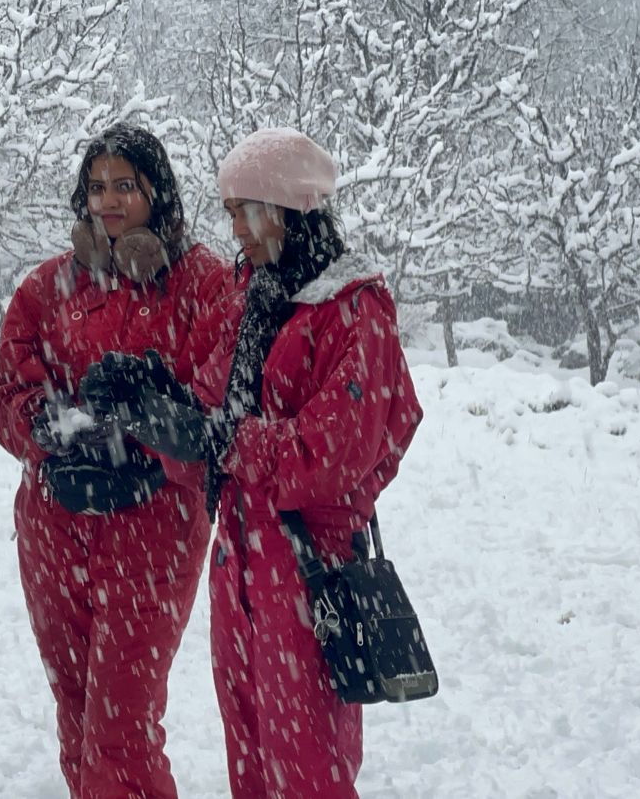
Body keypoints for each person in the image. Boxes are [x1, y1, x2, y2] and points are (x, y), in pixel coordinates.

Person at [81, 127, 423, 798]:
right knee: (251, 753)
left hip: (310, 560)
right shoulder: (257, 295)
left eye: (246, 210)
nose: (234, 228)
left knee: (306, 763)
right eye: (230, 211)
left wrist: (224, 439)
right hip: (239, 552)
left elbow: (328, 454)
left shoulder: (354, 310)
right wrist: (152, 394)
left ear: (290, 209)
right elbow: (211, 405)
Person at [0, 122, 232, 798]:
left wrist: (144, 435)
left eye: (126, 185)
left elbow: (216, 410)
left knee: (120, 727)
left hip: (153, 529)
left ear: (159, 191)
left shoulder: (203, 285)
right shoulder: (46, 287)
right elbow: (7, 390)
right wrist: (49, 427)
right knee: (77, 716)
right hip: (53, 523)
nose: (110, 201)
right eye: (97, 187)